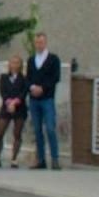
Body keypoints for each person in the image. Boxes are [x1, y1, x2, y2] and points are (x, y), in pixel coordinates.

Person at [25, 31, 63, 169]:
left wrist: (43, 88)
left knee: (50, 128)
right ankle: (41, 159)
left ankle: (55, 159)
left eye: (41, 42)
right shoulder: (31, 60)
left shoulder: (53, 59)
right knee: (37, 129)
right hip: (34, 100)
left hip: (47, 98)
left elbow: (55, 77)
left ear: (45, 42)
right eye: (36, 42)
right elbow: (27, 78)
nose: (39, 45)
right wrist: (32, 87)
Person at [0, 54, 29, 168]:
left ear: (20, 65)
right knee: (0, 132)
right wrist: (8, 102)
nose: (14, 65)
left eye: (17, 63)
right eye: (12, 62)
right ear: (9, 64)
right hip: (6, 107)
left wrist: (15, 102)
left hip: (19, 108)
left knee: (17, 133)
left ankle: (14, 159)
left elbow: (24, 93)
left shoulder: (24, 79)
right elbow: (2, 91)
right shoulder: (4, 77)